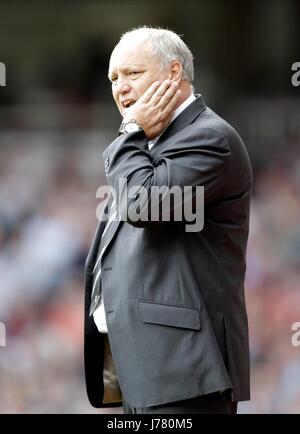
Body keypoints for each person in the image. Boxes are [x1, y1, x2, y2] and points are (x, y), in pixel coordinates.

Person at [84, 27, 252, 414]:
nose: (120, 88)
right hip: (145, 375)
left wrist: (129, 132)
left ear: (174, 72)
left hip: (187, 374)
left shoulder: (211, 137)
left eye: (132, 74)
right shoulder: (149, 144)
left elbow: (142, 206)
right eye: (113, 78)